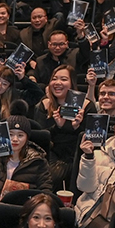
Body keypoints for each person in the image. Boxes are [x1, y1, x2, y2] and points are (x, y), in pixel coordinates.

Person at [0, 115, 53, 221]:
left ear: (27, 138)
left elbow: (46, 191)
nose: (15, 139)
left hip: (26, 214)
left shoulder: (38, 161)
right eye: (10, 134)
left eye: (20, 135)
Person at [34, 64, 97, 192]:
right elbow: (40, 139)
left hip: (77, 154)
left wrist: (76, 128)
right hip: (51, 154)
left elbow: (93, 139)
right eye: (54, 79)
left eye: (63, 79)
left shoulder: (87, 106)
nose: (57, 83)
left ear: (72, 82)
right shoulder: (44, 104)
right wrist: (58, 126)